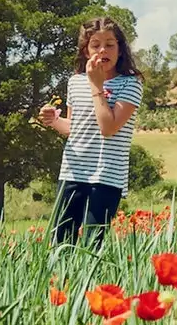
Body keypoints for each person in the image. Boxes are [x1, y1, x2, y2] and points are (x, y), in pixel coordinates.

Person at [39, 15, 143, 247]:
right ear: (86, 51)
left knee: (91, 244)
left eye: (109, 44)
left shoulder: (131, 83)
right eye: (95, 45)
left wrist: (97, 86)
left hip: (106, 176)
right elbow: (73, 128)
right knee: (60, 244)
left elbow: (108, 128)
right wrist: (53, 121)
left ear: (120, 50)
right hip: (72, 173)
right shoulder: (75, 81)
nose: (102, 50)